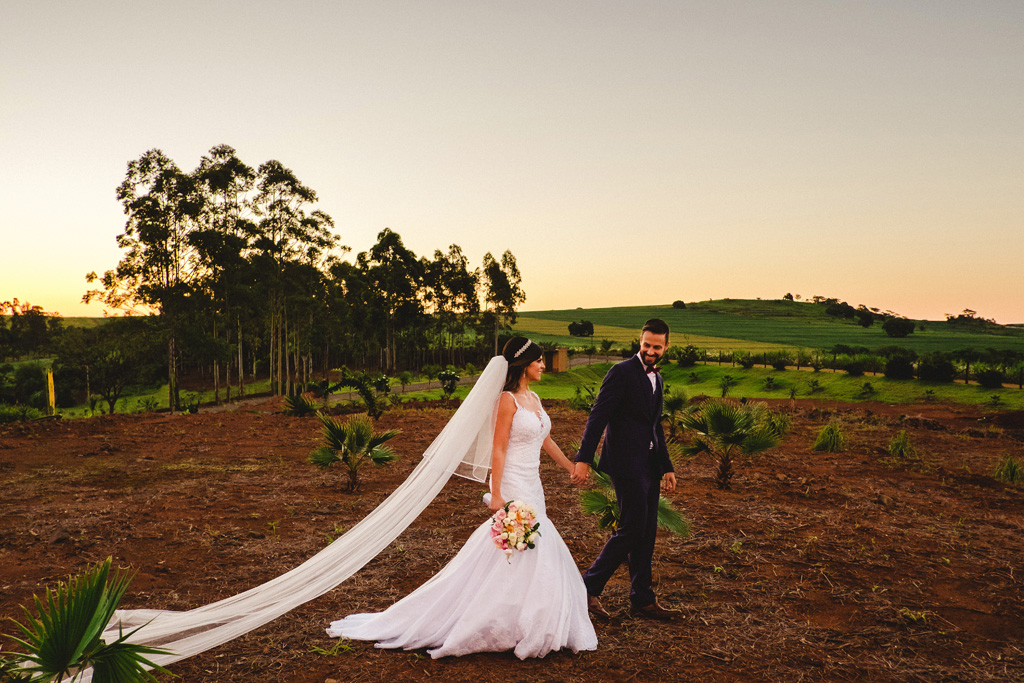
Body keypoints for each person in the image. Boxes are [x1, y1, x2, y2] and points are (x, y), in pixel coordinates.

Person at [326, 337, 597, 658]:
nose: (543, 365)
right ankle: (501, 621)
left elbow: (545, 439)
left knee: (521, 550)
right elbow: (498, 448)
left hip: (533, 484)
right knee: (520, 546)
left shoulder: (534, 398)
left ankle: (519, 619)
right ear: (524, 365)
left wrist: (571, 467)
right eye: (538, 360)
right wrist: (496, 494)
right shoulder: (507, 400)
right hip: (512, 483)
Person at [571, 318, 678, 619]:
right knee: (632, 529)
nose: (651, 351)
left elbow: (655, 425)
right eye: (646, 345)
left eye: (657, 347)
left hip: (648, 466)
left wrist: (666, 466)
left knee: (646, 532)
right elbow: (598, 416)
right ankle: (587, 588)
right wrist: (584, 457)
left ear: (666, 347)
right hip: (624, 464)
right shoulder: (620, 372)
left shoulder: (658, 379)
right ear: (639, 341)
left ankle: (642, 598)